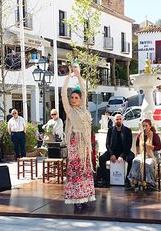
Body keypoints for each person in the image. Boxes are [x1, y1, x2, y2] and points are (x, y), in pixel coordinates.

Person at [61, 62, 95, 209]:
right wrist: (68, 77)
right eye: (72, 98)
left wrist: (79, 76)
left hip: (85, 145)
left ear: (80, 100)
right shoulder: (70, 111)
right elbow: (63, 93)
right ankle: (76, 201)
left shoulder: (83, 108)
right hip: (75, 143)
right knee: (75, 171)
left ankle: (85, 197)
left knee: (85, 171)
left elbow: (84, 90)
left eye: (76, 98)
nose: (73, 99)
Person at [98, 113, 135, 187]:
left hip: (124, 152)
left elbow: (128, 146)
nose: (118, 121)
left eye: (120, 119)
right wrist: (111, 154)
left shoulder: (127, 131)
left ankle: (127, 180)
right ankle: (106, 180)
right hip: (113, 152)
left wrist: (122, 156)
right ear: (114, 120)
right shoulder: (111, 130)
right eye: (117, 119)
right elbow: (107, 144)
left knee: (131, 158)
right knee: (101, 158)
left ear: (122, 120)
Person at [127, 119, 161, 189]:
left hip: (152, 155)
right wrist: (137, 153)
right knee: (135, 161)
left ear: (150, 126)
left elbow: (159, 147)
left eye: (146, 126)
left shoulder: (154, 135)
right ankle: (135, 182)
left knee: (148, 164)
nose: (145, 127)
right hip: (142, 154)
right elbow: (137, 145)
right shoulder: (140, 135)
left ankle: (150, 182)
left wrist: (149, 146)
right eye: (143, 126)